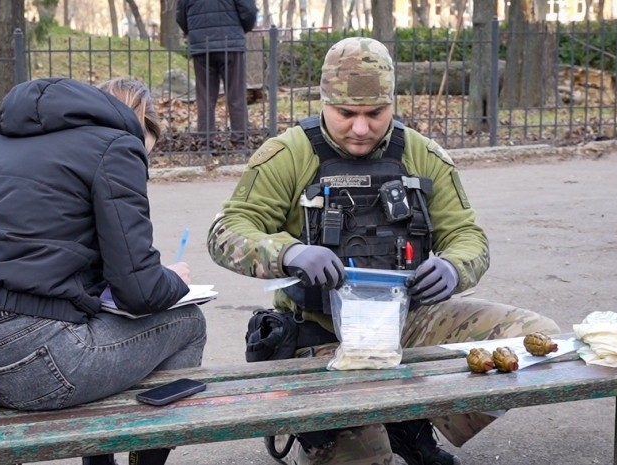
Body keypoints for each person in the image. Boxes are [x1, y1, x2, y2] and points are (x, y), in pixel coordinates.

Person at [206, 37, 560, 465]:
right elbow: (226, 232)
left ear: (392, 103)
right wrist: (288, 252)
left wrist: (454, 266)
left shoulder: (421, 154)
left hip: (407, 322)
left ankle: (413, 421)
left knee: (533, 338)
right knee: (366, 460)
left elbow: (468, 236)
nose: (361, 128)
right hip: (321, 339)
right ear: (324, 103)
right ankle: (328, 432)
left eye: (375, 113)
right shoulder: (289, 154)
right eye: (346, 114)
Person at [0, 77, 207, 465]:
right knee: (187, 322)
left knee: (104, 325)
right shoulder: (117, 145)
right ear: (141, 122)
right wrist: (174, 282)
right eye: (151, 152)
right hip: (36, 364)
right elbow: (141, 291)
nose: (147, 162)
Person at [176, 0, 258, 149]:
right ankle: (240, 143)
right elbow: (249, 11)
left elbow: (180, 16)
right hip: (231, 44)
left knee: (205, 97)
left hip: (201, 46)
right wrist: (241, 29)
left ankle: (205, 144)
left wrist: (192, 31)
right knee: (236, 95)